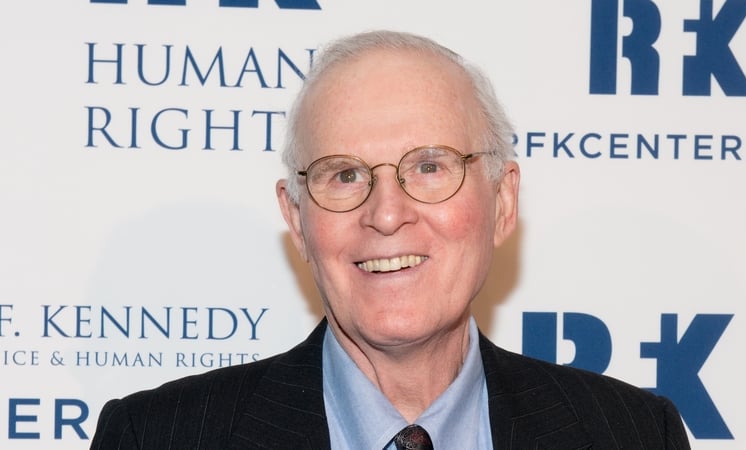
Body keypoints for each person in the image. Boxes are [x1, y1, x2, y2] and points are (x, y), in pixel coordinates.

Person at [90, 30, 691, 450]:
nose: (386, 213)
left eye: (430, 166)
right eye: (345, 174)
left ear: (502, 202)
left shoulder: (634, 433)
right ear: (297, 220)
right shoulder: (156, 436)